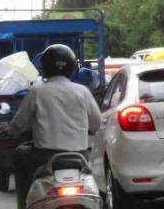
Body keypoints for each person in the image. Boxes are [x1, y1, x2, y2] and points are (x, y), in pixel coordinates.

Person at [9, 44, 101, 209]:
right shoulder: (83, 91)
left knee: (19, 153)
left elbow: (19, 124)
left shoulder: (36, 92)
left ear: (44, 68)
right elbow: (96, 124)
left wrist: (10, 130)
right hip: (80, 156)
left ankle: (23, 204)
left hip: (44, 157)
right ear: (72, 68)